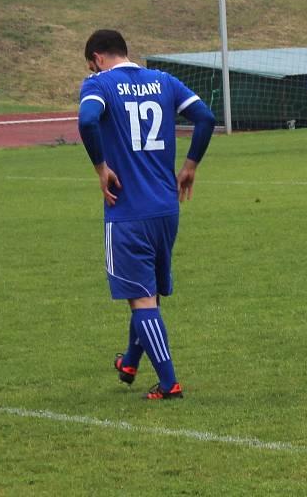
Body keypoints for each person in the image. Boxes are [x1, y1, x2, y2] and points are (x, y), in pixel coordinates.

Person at [78, 29, 216, 399]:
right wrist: (189, 166)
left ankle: (169, 382)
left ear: (97, 58)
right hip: (166, 208)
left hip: (127, 210)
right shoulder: (164, 80)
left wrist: (100, 167)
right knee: (147, 293)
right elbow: (205, 118)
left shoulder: (98, 84)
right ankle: (129, 363)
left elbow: (88, 120)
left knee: (140, 300)